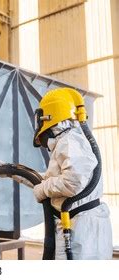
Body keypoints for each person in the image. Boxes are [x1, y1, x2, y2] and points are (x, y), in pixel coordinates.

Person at [31, 87, 112, 259]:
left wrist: (42, 190)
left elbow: (72, 182)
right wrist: (15, 172)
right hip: (78, 223)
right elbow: (52, 179)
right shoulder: (68, 140)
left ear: (49, 116)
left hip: (80, 226)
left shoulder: (69, 141)